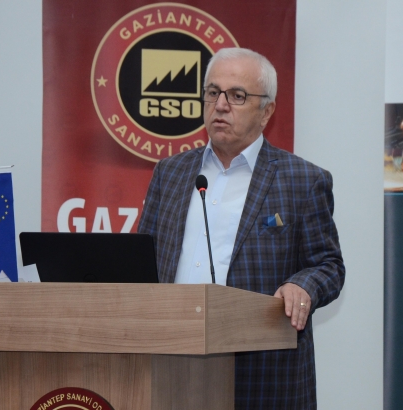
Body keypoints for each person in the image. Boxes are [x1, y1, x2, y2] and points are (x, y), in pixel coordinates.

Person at [137, 48, 345, 409]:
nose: (220, 105)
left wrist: (303, 286)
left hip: (261, 374)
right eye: (212, 93)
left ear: (266, 111)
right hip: (168, 363)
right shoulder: (170, 172)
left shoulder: (303, 180)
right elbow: (141, 260)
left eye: (236, 96)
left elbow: (329, 266)